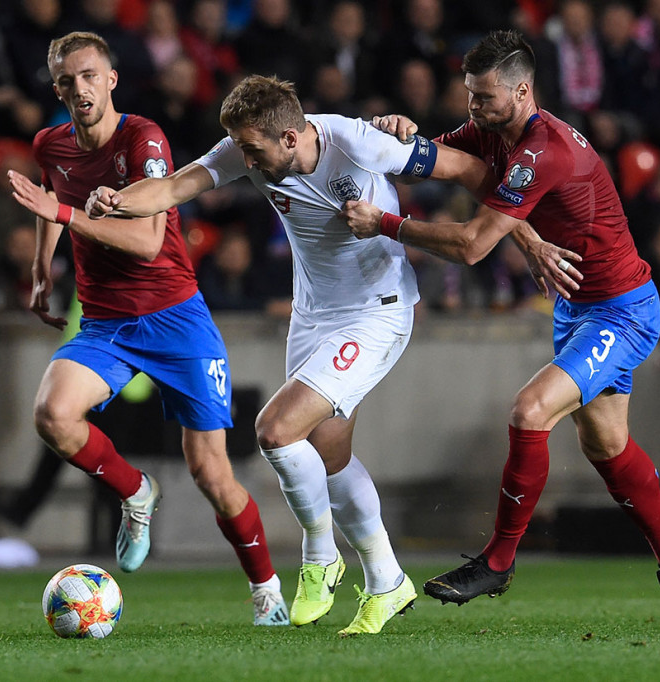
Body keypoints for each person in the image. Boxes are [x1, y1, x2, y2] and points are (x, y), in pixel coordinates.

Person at [77, 75, 578, 636]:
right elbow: (172, 188)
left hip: (378, 312)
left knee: (275, 430)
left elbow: (472, 170)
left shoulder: (360, 143)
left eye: (252, 150)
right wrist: (117, 202)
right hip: (313, 317)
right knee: (329, 456)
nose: (244, 160)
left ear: (290, 138)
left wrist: (531, 241)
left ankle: (320, 556)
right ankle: (387, 582)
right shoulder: (252, 149)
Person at [341, 29, 660, 628]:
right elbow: (433, 163)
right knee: (606, 446)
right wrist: (396, 134)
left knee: (529, 410)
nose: (473, 109)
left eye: (484, 98)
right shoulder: (493, 129)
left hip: (621, 310)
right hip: (577, 308)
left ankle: (500, 560)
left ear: (522, 90)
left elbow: (470, 247)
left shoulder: (545, 150)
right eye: (468, 96)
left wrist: (385, 224)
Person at [4, 32, 288, 627]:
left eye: (87, 76)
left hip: (175, 319)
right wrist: (40, 270)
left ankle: (267, 591)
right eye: (65, 80)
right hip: (106, 320)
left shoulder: (143, 138)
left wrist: (60, 214)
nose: (77, 88)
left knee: (211, 472)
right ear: (56, 88)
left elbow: (147, 240)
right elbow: (54, 196)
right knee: (53, 415)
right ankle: (135, 491)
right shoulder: (50, 144)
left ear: (110, 79)